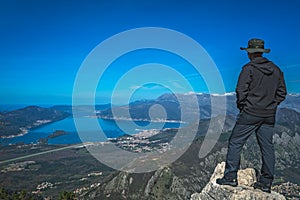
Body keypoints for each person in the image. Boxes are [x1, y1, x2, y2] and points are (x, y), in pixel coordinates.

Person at [216, 38, 287, 193]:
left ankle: (230, 177)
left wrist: (244, 107)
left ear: (250, 53)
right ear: (261, 52)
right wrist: (272, 105)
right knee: (267, 147)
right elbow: (282, 93)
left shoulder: (248, 69)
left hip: (250, 113)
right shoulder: (276, 70)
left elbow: (240, 90)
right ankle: (266, 183)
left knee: (235, 142)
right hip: (268, 116)